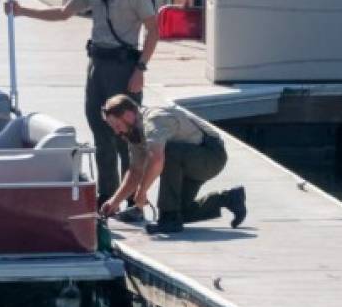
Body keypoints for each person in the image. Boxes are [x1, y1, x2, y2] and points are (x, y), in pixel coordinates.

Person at [6, 0, 159, 207]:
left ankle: (133, 202)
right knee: (100, 128)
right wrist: (23, 11)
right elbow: (65, 12)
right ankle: (107, 197)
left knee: (129, 135)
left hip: (124, 67)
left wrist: (141, 68)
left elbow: (153, 29)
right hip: (98, 66)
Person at [98, 94, 247, 235]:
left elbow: (157, 159)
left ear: (128, 115)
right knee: (181, 211)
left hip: (212, 156)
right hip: (189, 161)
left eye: (117, 125)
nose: (117, 132)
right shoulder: (134, 133)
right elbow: (135, 171)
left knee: (167, 152)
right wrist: (114, 201)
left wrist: (142, 192)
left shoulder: (154, 120)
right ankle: (230, 198)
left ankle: (168, 219)